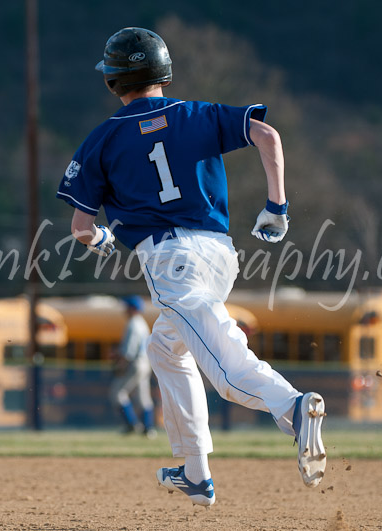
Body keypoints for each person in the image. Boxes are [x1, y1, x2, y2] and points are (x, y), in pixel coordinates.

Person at [56, 27, 326, 508]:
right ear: (163, 71)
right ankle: (195, 472)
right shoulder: (198, 114)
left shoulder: (103, 138)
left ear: (114, 80)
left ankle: (293, 407)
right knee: (167, 348)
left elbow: (81, 226)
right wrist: (276, 207)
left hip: (169, 259)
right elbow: (267, 135)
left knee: (222, 365)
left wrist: (99, 239)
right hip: (220, 255)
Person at [109, 295, 156, 438]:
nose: (124, 310)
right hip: (146, 362)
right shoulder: (142, 323)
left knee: (117, 393)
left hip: (135, 363)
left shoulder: (132, 324)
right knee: (143, 397)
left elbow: (128, 352)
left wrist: (120, 363)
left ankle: (132, 424)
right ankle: (148, 429)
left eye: (127, 307)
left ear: (133, 309)